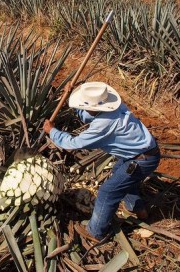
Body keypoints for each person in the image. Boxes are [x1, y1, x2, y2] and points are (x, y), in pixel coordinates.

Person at [43, 81, 160, 241]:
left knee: (108, 192)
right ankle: (138, 209)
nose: (83, 109)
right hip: (140, 153)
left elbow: (73, 144)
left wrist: (53, 132)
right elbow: (87, 114)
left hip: (141, 160)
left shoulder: (104, 124)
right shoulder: (112, 107)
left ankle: (96, 232)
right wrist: (71, 97)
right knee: (120, 176)